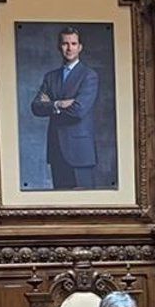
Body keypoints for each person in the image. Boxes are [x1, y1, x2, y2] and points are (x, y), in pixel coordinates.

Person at [28, 26, 99, 191]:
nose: (69, 48)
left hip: (80, 152)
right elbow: (36, 107)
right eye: (65, 43)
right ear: (59, 46)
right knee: (61, 206)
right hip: (56, 150)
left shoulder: (89, 76)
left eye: (73, 43)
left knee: (84, 208)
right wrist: (58, 104)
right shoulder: (50, 77)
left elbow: (78, 111)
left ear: (80, 47)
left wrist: (50, 106)